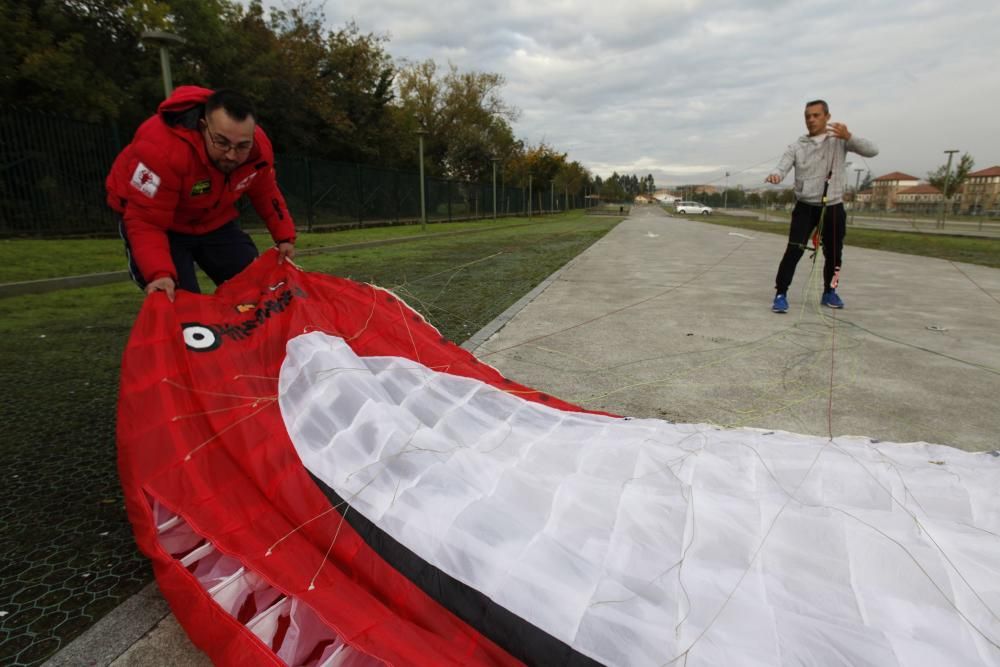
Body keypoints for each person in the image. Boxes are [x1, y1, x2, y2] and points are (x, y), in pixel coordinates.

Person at [106, 86, 296, 302]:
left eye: (242, 145)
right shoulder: (161, 150)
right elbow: (145, 220)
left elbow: (265, 190)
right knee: (179, 299)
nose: (232, 155)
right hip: (163, 224)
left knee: (259, 289)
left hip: (214, 218)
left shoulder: (258, 151)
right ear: (203, 127)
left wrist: (284, 237)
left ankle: (249, 333)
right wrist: (159, 273)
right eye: (222, 142)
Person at [766, 99, 877, 313]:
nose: (811, 119)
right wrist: (776, 176)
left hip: (833, 206)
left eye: (816, 115)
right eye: (807, 116)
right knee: (793, 250)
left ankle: (830, 291)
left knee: (835, 253)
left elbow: (873, 150)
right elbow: (781, 168)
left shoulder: (839, 140)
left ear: (827, 116)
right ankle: (781, 293)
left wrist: (849, 137)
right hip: (805, 207)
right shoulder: (796, 147)